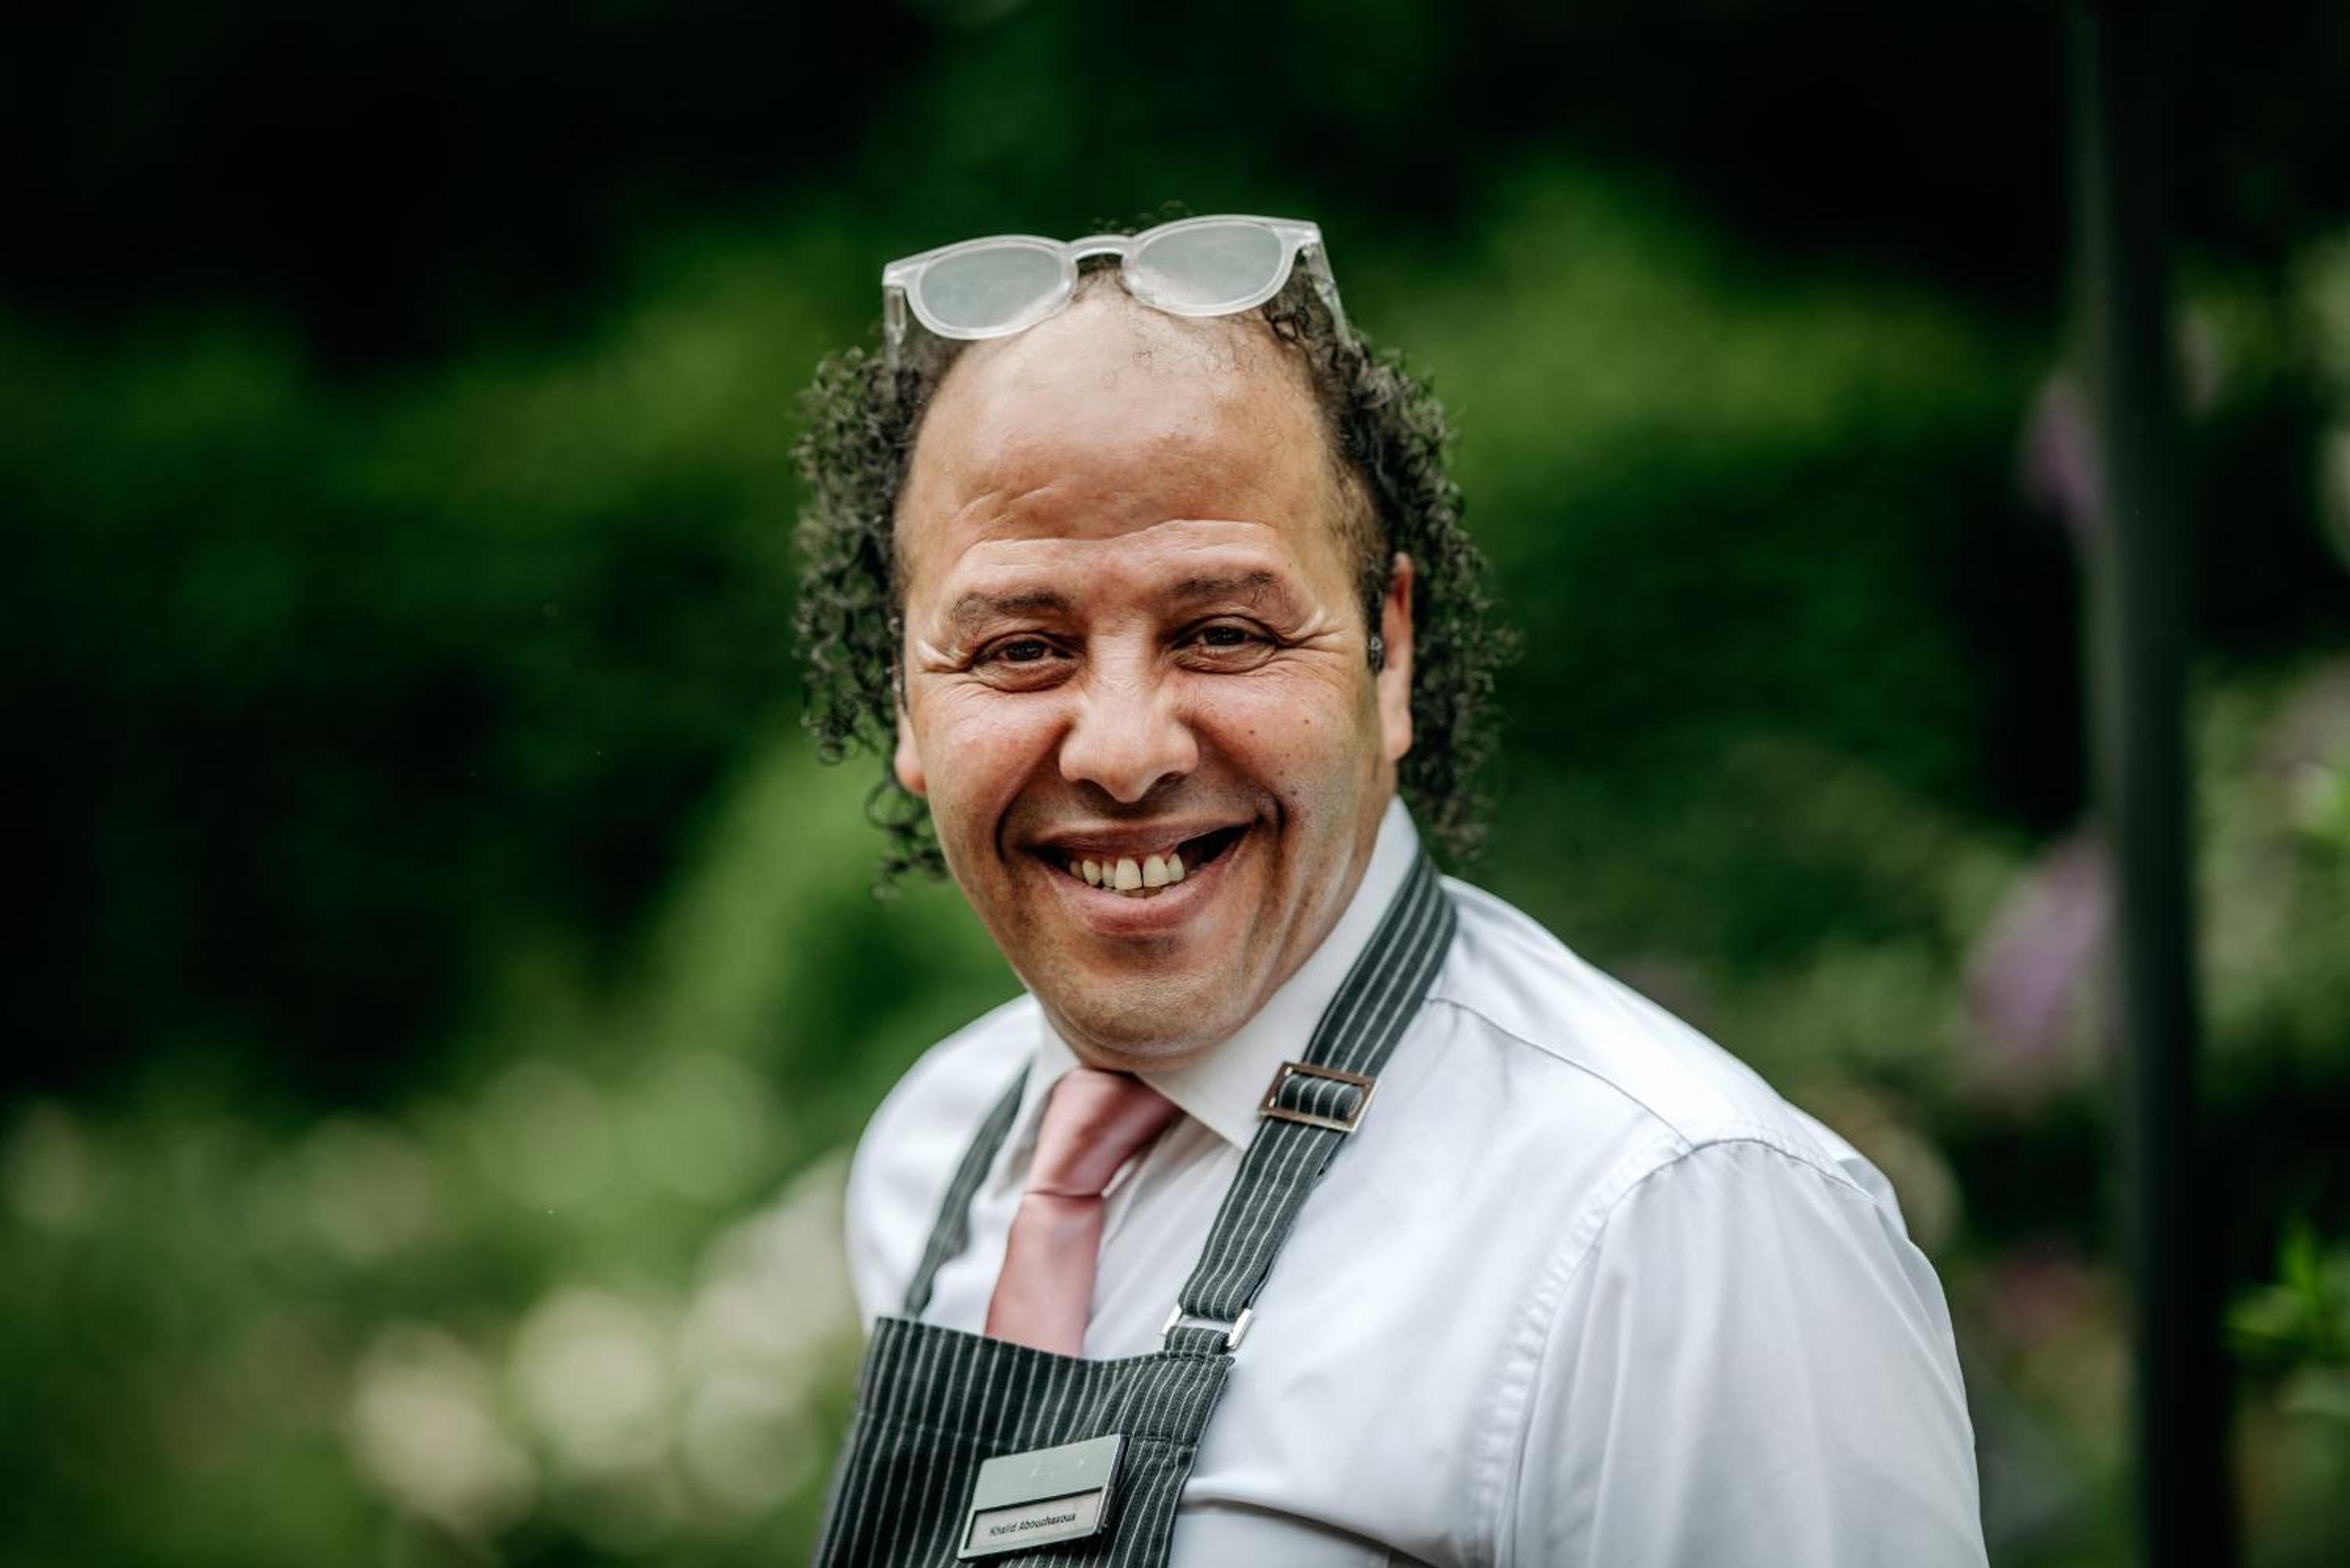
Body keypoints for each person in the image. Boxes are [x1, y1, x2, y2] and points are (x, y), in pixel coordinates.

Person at [793, 215, 1989, 1568]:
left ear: (1389, 650)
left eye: (1223, 631)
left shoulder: (1674, 1225)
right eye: (1021, 647)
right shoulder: (936, 1146)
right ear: (909, 698)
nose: (1123, 750)